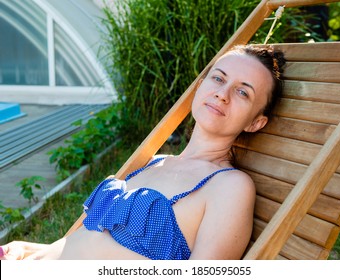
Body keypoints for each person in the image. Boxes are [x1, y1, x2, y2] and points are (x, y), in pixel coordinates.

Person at [0, 44, 286, 260]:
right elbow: (92, 242)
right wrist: (33, 250)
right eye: (218, 79)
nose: (222, 93)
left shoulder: (230, 186)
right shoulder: (153, 161)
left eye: (243, 92)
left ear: (255, 122)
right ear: (199, 87)